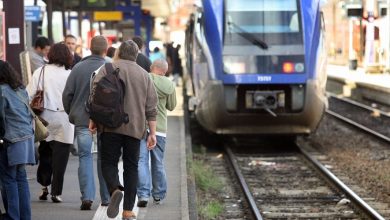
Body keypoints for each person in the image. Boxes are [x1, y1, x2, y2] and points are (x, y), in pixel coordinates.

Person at [89, 40, 158, 220]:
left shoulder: (107, 68)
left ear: (119, 52)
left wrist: (93, 120)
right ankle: (128, 210)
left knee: (108, 162)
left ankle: (114, 189)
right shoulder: (145, 75)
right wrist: (153, 133)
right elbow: (151, 108)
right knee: (131, 167)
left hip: (109, 125)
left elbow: (95, 95)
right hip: (134, 128)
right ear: (136, 55)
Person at [62, 36, 110, 210]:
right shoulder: (111, 66)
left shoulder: (78, 67)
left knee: (85, 157)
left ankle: (87, 197)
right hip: (105, 122)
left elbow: (67, 95)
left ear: (89, 48)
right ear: (106, 50)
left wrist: (73, 113)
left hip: (82, 120)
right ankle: (106, 198)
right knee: (104, 158)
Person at [26, 43, 74, 203]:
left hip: (44, 117)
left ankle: (44, 186)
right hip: (65, 118)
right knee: (61, 157)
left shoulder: (41, 71)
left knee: (45, 152)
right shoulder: (70, 74)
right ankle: (56, 192)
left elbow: (28, 93)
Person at [137, 59, 176, 207]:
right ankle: (158, 195)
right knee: (158, 162)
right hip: (159, 129)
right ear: (164, 71)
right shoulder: (169, 85)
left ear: (152, 68)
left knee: (141, 161)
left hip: (142, 126)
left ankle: (143, 195)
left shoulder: (143, 78)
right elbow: (172, 106)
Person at [0, 60, 35, 220]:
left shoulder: (2, 91)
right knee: (21, 178)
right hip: (26, 140)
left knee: (9, 179)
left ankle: (13, 216)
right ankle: (25, 216)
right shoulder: (21, 90)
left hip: (10, 141)